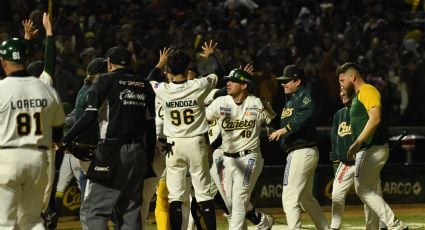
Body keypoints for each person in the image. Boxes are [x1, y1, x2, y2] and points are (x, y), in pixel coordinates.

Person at [62, 46, 156, 230]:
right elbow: (150, 126)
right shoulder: (144, 85)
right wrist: (149, 158)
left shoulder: (104, 80)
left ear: (109, 63)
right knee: (129, 211)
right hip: (138, 152)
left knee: (93, 211)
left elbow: (88, 117)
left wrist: (67, 138)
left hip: (112, 150)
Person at [0, 37, 65, 229]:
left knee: (5, 222)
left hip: (8, 156)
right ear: (27, 60)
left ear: (3, 61)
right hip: (38, 158)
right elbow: (58, 125)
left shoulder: (1, 89)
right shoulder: (45, 88)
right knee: (33, 220)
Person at [337, 62, 408, 230]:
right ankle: (374, 227)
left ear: (353, 77)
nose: (340, 84)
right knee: (371, 191)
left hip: (373, 148)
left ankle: (394, 224)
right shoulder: (359, 94)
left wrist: (358, 142)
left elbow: (375, 118)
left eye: (342, 80)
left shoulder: (367, 90)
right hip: (369, 149)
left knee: (362, 189)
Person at [206, 66, 275, 229]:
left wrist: (274, 128)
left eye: (233, 81)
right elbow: (202, 119)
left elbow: (275, 122)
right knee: (230, 202)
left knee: (238, 201)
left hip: (249, 157)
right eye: (228, 80)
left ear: (244, 85)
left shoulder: (257, 103)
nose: (228, 83)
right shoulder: (221, 102)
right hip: (226, 158)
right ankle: (263, 221)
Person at [155, 49, 218, 230]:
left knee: (175, 197)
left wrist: (160, 63)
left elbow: (148, 79)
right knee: (204, 194)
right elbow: (219, 73)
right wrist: (210, 56)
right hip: (196, 143)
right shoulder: (197, 85)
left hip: (173, 145)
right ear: (186, 68)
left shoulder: (163, 89)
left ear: (169, 70)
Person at [268, 64, 329, 230]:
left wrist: (284, 129)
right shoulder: (291, 100)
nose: (283, 84)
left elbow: (307, 113)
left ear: (297, 81)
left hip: (301, 151)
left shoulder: (304, 94)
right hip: (301, 152)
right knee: (306, 198)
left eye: (287, 81)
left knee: (289, 197)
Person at [330, 87, 387, 230]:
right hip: (346, 163)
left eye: (345, 91)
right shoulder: (339, 115)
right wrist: (336, 161)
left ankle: (380, 226)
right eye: (340, 90)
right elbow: (334, 140)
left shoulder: (364, 112)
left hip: (365, 160)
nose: (341, 93)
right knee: (336, 194)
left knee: (371, 197)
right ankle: (334, 227)